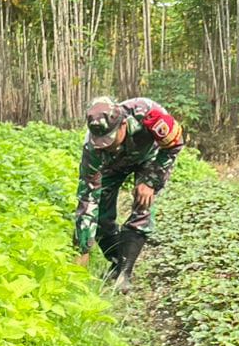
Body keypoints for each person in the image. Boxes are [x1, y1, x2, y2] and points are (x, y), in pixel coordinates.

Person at [72, 96, 185, 289]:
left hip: (149, 159)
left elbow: (174, 144)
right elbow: (88, 198)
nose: (107, 144)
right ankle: (117, 262)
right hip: (113, 165)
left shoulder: (149, 114)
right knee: (99, 217)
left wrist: (150, 181)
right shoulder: (93, 148)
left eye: (110, 138)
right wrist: (82, 248)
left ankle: (125, 272)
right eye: (102, 142)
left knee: (143, 205)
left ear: (123, 124)